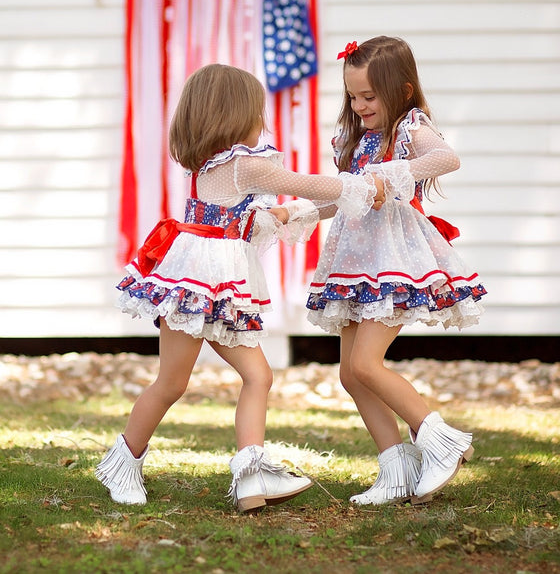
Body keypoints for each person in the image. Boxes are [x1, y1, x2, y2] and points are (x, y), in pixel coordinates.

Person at [96, 63, 385, 513]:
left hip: (211, 280)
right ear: (234, 117)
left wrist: (305, 212)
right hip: (198, 282)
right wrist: (365, 184)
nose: (261, 124)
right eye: (257, 114)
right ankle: (123, 463)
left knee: (255, 375)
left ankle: (251, 473)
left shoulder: (220, 167)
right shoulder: (243, 166)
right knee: (173, 383)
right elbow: (308, 186)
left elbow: (253, 217)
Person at [306, 36, 487, 506]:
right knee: (350, 373)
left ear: (403, 92)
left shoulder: (409, 128)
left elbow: (447, 157)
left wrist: (392, 176)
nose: (359, 105)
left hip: (394, 261)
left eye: (369, 96)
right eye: (352, 96)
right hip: (353, 262)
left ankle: (442, 440)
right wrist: (297, 214)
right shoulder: (356, 141)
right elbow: (344, 198)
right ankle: (396, 466)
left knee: (366, 363)